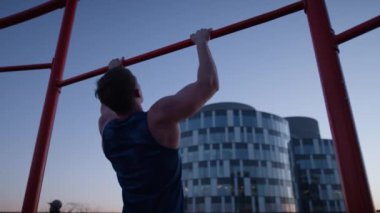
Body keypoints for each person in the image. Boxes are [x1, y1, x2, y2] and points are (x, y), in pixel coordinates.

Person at [95, 28, 218, 213]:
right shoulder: (158, 119)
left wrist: (113, 73)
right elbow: (209, 84)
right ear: (137, 92)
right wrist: (201, 42)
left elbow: (107, 105)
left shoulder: (106, 128)